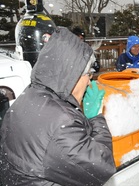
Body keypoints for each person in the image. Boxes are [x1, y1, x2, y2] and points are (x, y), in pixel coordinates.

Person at [0, 27, 116, 185]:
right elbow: (103, 167)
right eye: (88, 74)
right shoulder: (63, 122)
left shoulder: (30, 94)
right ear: (73, 75)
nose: (90, 81)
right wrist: (95, 117)